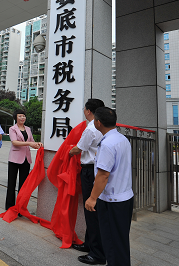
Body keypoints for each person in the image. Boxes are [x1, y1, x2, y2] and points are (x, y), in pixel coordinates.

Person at [85, 107, 134, 266]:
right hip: (125, 197)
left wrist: (92, 198)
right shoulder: (122, 139)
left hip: (112, 201)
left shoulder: (107, 144)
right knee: (120, 241)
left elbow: (103, 175)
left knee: (112, 243)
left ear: (98, 123)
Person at [68, 99, 106, 265]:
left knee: (91, 210)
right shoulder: (101, 127)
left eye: (84, 108)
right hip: (95, 170)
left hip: (90, 171)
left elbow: (79, 148)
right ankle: (89, 244)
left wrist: (68, 152)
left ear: (89, 111)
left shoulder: (90, 128)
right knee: (92, 211)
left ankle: (97, 253)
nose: (83, 110)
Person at [5, 109, 41, 210]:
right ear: (16, 117)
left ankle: (20, 207)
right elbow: (14, 142)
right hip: (14, 159)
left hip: (26, 159)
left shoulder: (28, 129)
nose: (22, 118)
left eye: (24, 116)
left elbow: (32, 142)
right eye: (20, 116)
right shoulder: (12, 128)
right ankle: (10, 206)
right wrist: (29, 143)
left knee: (23, 185)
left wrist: (38, 144)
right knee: (11, 183)